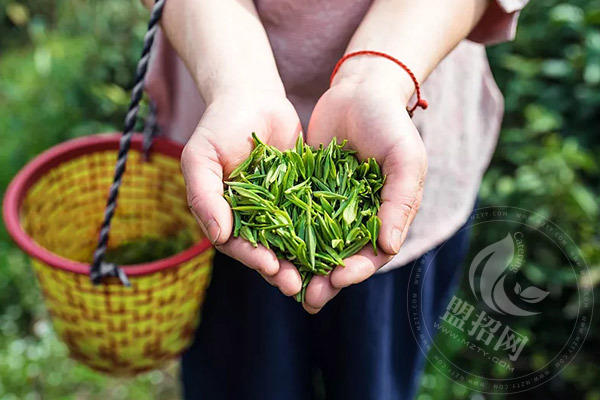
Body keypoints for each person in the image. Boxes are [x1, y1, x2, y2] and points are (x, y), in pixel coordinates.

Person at [141, 0, 528, 398]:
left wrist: (377, 78)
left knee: (373, 383)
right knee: (242, 377)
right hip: (227, 148)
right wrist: (238, 84)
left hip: (406, 115)